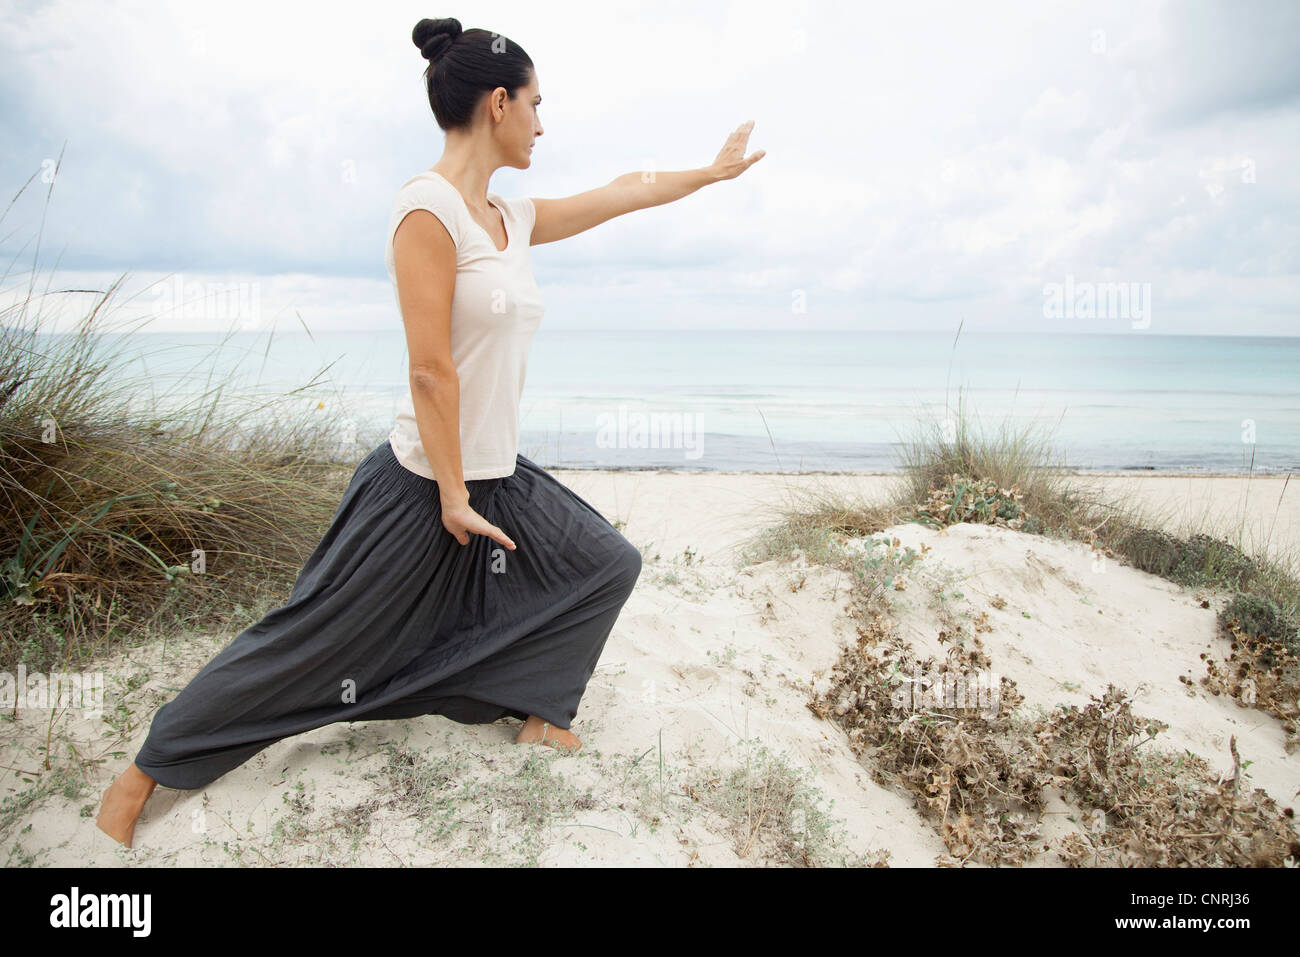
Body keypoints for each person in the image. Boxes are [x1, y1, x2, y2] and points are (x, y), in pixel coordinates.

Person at [96, 15, 764, 848]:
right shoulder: (426, 211)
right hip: (421, 485)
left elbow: (624, 189)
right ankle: (141, 777)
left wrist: (710, 173)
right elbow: (429, 370)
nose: (543, 123)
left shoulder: (509, 219)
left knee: (603, 564)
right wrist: (451, 493)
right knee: (308, 640)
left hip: (494, 475)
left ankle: (536, 714)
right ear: (497, 104)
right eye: (536, 104)